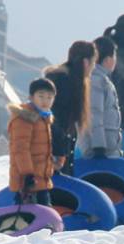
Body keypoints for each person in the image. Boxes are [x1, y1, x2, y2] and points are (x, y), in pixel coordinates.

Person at [45, 41, 96, 174]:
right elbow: (56, 123)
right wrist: (60, 154)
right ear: (86, 62)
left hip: (55, 154)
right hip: (54, 157)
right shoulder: (66, 84)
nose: (93, 68)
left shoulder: (62, 80)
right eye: (93, 62)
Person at [8, 78, 57, 207]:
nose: (45, 101)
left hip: (42, 180)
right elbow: (20, 149)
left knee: (46, 217)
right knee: (30, 218)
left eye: (49, 97)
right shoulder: (24, 118)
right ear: (31, 97)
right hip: (28, 181)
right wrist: (27, 174)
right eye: (41, 96)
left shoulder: (44, 118)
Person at [78, 36, 122, 159]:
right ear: (108, 59)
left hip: (108, 150)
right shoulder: (97, 81)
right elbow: (94, 114)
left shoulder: (102, 79)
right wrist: (99, 147)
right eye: (115, 56)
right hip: (99, 151)